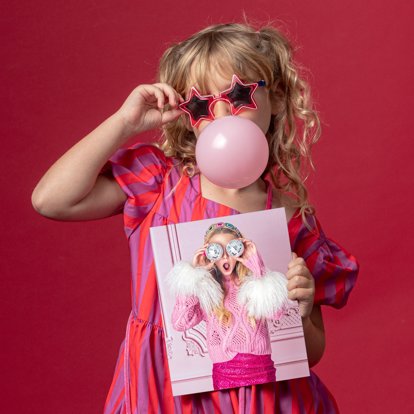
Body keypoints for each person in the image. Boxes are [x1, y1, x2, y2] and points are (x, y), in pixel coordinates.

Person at [31, 22, 359, 413]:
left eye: (238, 96)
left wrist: (300, 310)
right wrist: (124, 123)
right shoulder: (158, 184)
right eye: (202, 104)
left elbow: (313, 350)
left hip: (262, 397)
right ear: (188, 117)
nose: (221, 114)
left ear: (278, 98)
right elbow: (51, 200)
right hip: (164, 391)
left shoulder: (289, 216)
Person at [169, 222, 290, 391]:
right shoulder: (207, 289)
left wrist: (258, 269)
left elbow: (277, 313)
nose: (225, 257)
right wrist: (192, 276)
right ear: (209, 254)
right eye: (217, 251)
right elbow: (180, 323)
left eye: (231, 249)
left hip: (260, 368)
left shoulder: (253, 283)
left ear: (239, 250)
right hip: (224, 372)